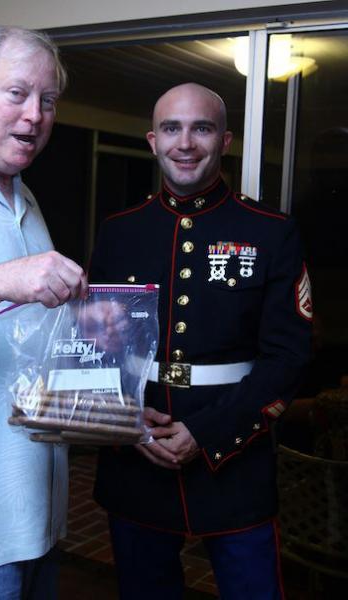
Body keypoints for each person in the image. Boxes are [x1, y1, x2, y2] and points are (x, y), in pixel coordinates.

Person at [89, 83, 313, 599]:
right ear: (153, 141)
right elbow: (97, 346)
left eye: (202, 128)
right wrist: (126, 422)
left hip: (234, 459)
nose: (185, 143)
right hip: (137, 459)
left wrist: (207, 430)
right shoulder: (119, 231)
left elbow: (288, 357)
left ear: (225, 141)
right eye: (171, 128)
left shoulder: (271, 231)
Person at [0, 26, 87, 599]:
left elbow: (21, 336)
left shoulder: (22, 195)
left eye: (48, 100)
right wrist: (4, 279)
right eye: (18, 93)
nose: (36, 115)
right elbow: (5, 287)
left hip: (35, 519)